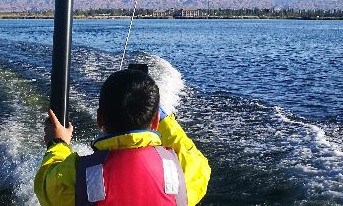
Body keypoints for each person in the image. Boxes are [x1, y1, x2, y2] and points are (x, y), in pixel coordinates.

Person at [34, 68, 211, 205]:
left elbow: (46, 185)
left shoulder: (75, 178)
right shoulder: (184, 175)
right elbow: (193, 158)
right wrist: (165, 120)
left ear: (99, 118)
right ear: (155, 121)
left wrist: (57, 142)